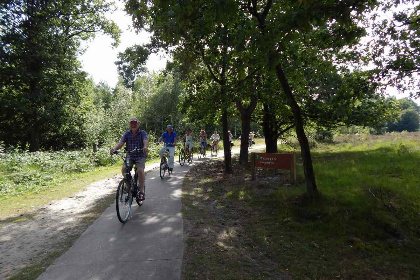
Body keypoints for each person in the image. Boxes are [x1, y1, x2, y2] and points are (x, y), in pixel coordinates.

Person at [110, 117, 148, 201]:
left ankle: (141, 192)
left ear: (138, 124)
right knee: (124, 169)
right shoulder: (127, 134)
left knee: (140, 170)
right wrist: (114, 149)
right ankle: (128, 184)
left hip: (140, 155)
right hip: (130, 155)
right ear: (130, 124)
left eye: (135, 123)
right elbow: (121, 143)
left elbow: (145, 141)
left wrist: (145, 147)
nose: (133, 125)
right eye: (132, 123)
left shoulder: (143, 133)